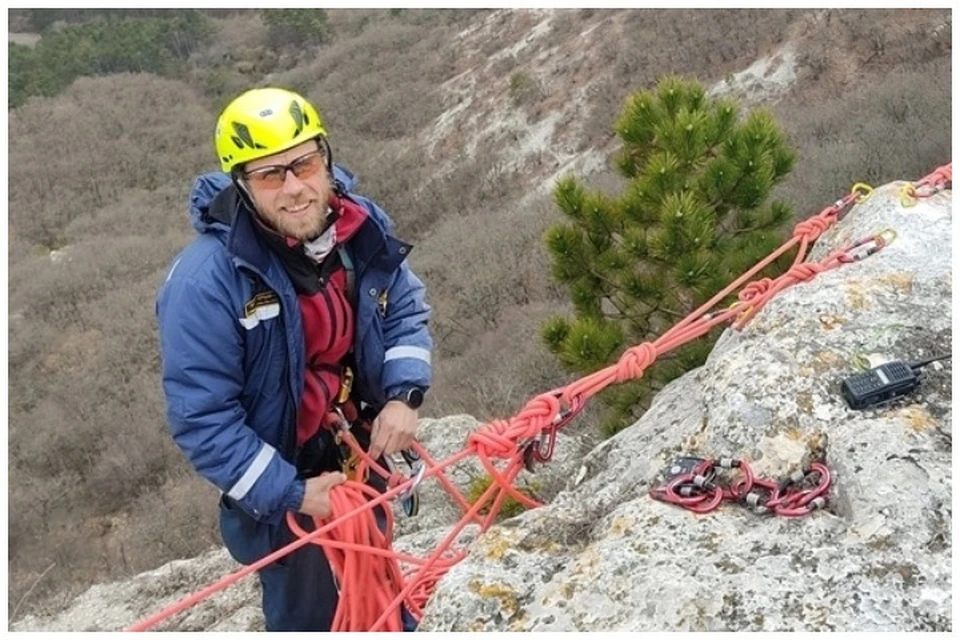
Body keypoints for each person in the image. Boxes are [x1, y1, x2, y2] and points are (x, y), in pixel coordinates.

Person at [156, 87, 432, 631]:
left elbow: (402, 304)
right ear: (242, 186)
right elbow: (202, 420)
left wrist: (404, 395)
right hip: (279, 482)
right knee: (306, 614)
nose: (294, 188)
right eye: (269, 175)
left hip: (352, 447)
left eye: (304, 164)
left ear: (324, 159)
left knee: (374, 580)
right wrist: (295, 492)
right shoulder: (207, 283)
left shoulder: (359, 227)